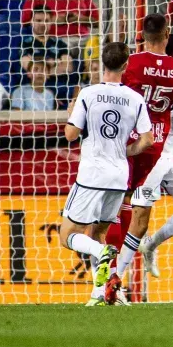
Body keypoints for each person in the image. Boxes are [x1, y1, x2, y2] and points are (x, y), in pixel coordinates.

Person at [114, 34, 173, 302]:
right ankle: (117, 282)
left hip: (171, 157)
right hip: (150, 155)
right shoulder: (148, 73)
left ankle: (152, 245)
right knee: (139, 220)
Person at [61, 41, 153, 306]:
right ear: (126, 65)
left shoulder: (88, 94)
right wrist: (125, 153)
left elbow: (70, 134)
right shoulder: (135, 98)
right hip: (118, 177)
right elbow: (147, 140)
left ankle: (102, 253)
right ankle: (98, 294)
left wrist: (71, 112)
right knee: (99, 232)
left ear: (102, 62)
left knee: (68, 236)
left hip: (91, 174)